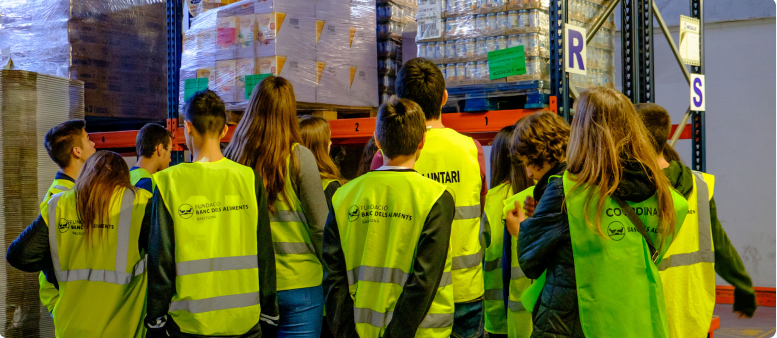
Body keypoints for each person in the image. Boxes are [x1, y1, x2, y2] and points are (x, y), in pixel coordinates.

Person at [509, 87, 689, 338]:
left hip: (571, 323)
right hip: (635, 320)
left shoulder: (567, 192)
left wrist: (520, 228)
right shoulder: (665, 195)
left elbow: (530, 259)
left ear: (582, 132)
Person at [144, 89, 278, 337]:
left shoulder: (168, 183)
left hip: (190, 324)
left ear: (188, 127)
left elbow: (160, 261)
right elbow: (264, 253)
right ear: (226, 130)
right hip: (245, 323)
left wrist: (156, 319)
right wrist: (270, 312)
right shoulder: (249, 179)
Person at [370, 58, 488, 337]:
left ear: (398, 101)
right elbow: (480, 209)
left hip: (406, 294)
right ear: (445, 98)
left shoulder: (388, 153)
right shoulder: (472, 150)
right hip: (464, 288)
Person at [323, 96, 456, 337]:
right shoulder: (437, 198)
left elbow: (334, 278)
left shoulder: (343, 196)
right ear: (422, 141)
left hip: (359, 331)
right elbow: (423, 282)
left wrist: (345, 333)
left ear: (377, 141)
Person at [636, 103, 757, 337]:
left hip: (647, 310)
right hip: (691, 311)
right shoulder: (699, 187)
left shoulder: (627, 188)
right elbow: (719, 244)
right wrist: (743, 285)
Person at [224, 77, 328, 337]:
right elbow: (319, 228)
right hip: (299, 284)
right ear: (289, 112)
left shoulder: (233, 159)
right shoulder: (299, 157)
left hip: (250, 283)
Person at [7, 151, 151, 337]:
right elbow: (166, 256)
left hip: (71, 329)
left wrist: (62, 257)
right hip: (124, 331)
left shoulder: (60, 204)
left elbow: (20, 255)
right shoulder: (141, 202)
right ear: (123, 177)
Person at [501, 111, 570, 337]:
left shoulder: (558, 191)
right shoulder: (579, 181)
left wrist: (520, 229)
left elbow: (531, 261)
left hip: (560, 318)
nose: (528, 173)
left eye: (531, 163)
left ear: (547, 152)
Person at [37, 119, 97, 314]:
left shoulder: (74, 191)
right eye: (88, 139)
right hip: (65, 299)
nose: (94, 144)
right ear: (77, 151)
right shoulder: (59, 198)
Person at [481, 125, 531, 338]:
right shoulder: (537, 197)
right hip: (531, 313)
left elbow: (480, 253)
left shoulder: (490, 201)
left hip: (497, 314)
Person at [297, 115, 344, 338]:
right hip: (323, 293)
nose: (331, 144)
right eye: (328, 140)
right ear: (319, 146)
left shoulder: (290, 185)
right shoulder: (330, 188)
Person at [131, 123, 173, 193]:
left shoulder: (127, 176)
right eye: (170, 151)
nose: (170, 159)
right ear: (160, 149)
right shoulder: (149, 185)